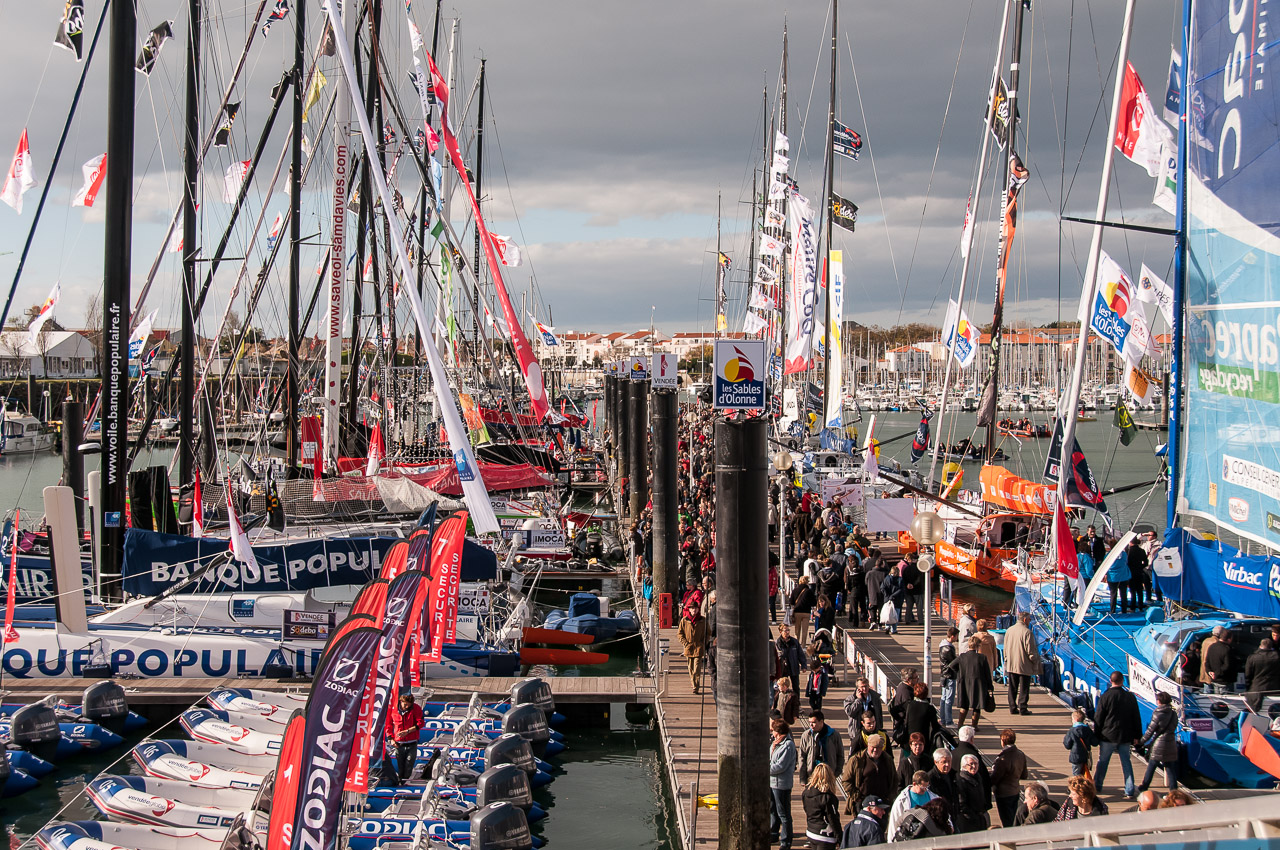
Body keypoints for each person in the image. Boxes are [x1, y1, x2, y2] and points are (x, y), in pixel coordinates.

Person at [1094, 671, 1142, 798]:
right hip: (1125, 735)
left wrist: (1096, 734)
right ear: (1122, 681)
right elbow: (1136, 717)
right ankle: (1130, 789)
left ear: (1111, 681)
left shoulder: (1106, 696)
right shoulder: (1130, 697)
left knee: (1103, 762)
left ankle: (1097, 785)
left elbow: (1099, 717)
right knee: (1126, 762)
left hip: (1108, 736)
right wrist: (1137, 736)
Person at [841, 733, 897, 814]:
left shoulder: (888, 760)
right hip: (863, 802)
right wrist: (857, 796)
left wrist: (890, 797)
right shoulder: (856, 760)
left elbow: (894, 779)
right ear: (868, 745)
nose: (875, 750)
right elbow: (846, 781)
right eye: (873, 747)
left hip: (883, 802)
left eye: (878, 748)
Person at [1138, 691, 1179, 792]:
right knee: (1170, 768)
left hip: (1159, 744)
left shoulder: (1158, 713)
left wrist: (1141, 742)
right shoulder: (1173, 713)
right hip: (1170, 742)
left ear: (1159, 701)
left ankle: (1144, 786)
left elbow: (1150, 731)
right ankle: (1174, 790)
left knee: (1152, 766)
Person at [1003, 612, 1041, 715]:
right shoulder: (1027, 632)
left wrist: (1006, 658)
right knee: (1024, 688)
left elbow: (1005, 647)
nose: (1030, 621)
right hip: (1024, 664)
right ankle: (1023, 707)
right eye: (1029, 619)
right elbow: (1031, 651)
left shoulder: (1009, 630)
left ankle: (1012, 706)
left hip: (1011, 663)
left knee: (1012, 687)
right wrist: (1035, 661)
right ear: (1025, 620)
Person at [990, 729, 1028, 828]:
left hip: (1003, 793)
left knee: (1007, 820)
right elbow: (1024, 775)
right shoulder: (1020, 754)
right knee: (1013, 817)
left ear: (1002, 741)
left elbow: (995, 778)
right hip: (1015, 790)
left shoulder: (1003, 758)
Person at [886, 771, 939, 841]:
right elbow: (894, 823)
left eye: (927, 786)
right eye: (923, 787)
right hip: (910, 838)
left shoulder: (933, 797)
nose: (925, 790)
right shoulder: (901, 801)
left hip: (928, 837)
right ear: (914, 784)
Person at [955, 635, 994, 729]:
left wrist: (960, 673)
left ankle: (960, 724)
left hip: (965, 684)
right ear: (977, 646)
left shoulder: (962, 657)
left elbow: (952, 666)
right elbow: (987, 673)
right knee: (977, 706)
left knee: (964, 705)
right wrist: (990, 686)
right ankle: (974, 725)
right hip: (979, 684)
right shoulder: (982, 658)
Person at [770, 718, 798, 850]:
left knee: (784, 813)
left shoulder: (788, 745)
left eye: (774, 731)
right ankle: (773, 832)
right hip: (771, 782)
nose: (772, 733)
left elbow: (780, 766)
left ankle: (786, 841)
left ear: (779, 732)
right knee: (773, 810)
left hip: (781, 784)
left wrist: (764, 768)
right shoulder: (775, 743)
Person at [798, 710, 846, 785]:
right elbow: (802, 757)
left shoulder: (834, 735)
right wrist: (803, 779)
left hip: (828, 774)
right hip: (811, 775)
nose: (811, 725)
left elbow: (840, 755)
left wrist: (836, 773)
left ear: (821, 722)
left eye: (814, 722)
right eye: (810, 722)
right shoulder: (806, 735)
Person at [802, 762, 842, 849]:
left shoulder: (806, 793)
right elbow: (833, 819)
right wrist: (840, 838)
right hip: (824, 837)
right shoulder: (828, 797)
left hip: (811, 831)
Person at [386, 692, 424, 783]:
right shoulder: (392, 709)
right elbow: (388, 725)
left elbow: (421, 723)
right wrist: (391, 739)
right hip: (399, 743)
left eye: (409, 705)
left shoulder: (416, 708)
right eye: (405, 705)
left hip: (412, 742)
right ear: (401, 701)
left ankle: (404, 780)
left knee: (409, 763)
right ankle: (400, 781)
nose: (407, 707)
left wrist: (408, 731)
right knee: (400, 765)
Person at [677, 594, 708, 693]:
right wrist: (685, 643)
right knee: (690, 668)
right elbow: (680, 633)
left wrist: (704, 643)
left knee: (697, 668)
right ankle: (693, 681)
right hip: (689, 647)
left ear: (698, 609)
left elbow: (708, 633)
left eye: (696, 608)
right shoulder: (684, 620)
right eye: (692, 608)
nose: (694, 610)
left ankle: (696, 686)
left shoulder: (703, 620)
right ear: (689, 610)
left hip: (698, 647)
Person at [951, 725, 990, 801]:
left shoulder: (952, 753)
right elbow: (983, 776)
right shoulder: (973, 755)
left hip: (956, 793)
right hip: (972, 796)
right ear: (972, 739)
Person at [902, 682, 942, 752]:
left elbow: (894, 710)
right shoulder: (929, 708)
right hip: (923, 740)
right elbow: (935, 726)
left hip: (909, 739)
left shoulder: (909, 705)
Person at [955, 754, 989, 833]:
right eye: (971, 764)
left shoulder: (978, 777)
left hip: (980, 817)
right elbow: (962, 804)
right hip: (969, 820)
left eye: (976, 763)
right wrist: (973, 816)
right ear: (964, 766)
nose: (974, 766)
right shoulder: (961, 781)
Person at [1245, 638, 1280, 711]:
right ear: (1271, 647)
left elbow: (1248, 675)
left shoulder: (1253, 657)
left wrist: (1248, 687)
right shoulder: (1278, 657)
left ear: (1260, 646)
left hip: (1256, 690)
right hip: (1275, 689)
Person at [1063, 707, 1097, 777]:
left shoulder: (1071, 731)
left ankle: (1077, 786)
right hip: (1085, 756)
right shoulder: (1088, 730)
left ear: (1075, 720)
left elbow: (1067, 745)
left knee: (1076, 774)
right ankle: (1084, 786)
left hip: (1075, 757)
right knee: (1085, 773)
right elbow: (1094, 742)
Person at [888, 669, 919, 744]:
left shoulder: (901, 685)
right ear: (908, 680)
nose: (918, 679)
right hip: (905, 728)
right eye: (916, 677)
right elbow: (908, 710)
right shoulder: (906, 693)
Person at [777, 623, 807, 695]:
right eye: (785, 630)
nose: (787, 632)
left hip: (793, 667)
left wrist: (803, 665)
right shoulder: (778, 643)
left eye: (788, 630)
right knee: (783, 686)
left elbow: (800, 654)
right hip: (783, 668)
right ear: (780, 631)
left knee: (796, 686)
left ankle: (796, 702)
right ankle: (783, 701)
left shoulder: (794, 642)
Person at [926, 749, 958, 817]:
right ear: (936, 762)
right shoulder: (930, 778)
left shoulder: (953, 775)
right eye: (944, 762)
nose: (947, 764)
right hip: (939, 816)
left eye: (949, 761)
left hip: (953, 815)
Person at [938, 627, 959, 727]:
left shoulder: (943, 646)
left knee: (944, 698)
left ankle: (943, 719)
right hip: (949, 675)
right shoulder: (948, 649)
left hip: (944, 674)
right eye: (956, 636)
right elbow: (953, 662)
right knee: (948, 699)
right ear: (953, 636)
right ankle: (948, 721)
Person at [1204, 630, 1234, 694]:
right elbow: (1227, 665)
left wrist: (1209, 672)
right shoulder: (1227, 649)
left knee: (1217, 702)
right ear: (1229, 639)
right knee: (1226, 702)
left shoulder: (1211, 647)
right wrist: (1216, 673)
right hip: (1225, 681)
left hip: (1214, 680)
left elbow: (1207, 662)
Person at [1106, 541, 1132, 614]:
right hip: (1123, 576)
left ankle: (1112, 611)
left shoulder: (1108, 555)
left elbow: (1106, 566)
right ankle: (1124, 610)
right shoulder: (1123, 554)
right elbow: (1126, 562)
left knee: (1113, 594)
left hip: (1113, 577)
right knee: (1123, 594)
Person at [880, 566, 905, 635]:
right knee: (895, 615)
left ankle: (887, 626)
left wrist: (887, 595)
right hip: (897, 600)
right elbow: (901, 589)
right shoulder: (900, 580)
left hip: (887, 599)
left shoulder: (887, 579)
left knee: (888, 613)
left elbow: (882, 588)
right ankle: (894, 629)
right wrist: (893, 595)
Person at [792, 576, 817, 645]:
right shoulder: (809, 591)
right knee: (805, 630)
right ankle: (803, 645)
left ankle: (796, 644)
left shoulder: (795, 590)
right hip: (806, 612)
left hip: (797, 612)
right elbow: (814, 602)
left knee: (797, 630)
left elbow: (791, 602)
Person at [1127, 536, 1151, 609]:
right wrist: (1141, 566)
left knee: (1132, 591)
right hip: (1139, 572)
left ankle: (1132, 606)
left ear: (1130, 542)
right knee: (1139, 590)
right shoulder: (1141, 550)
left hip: (1131, 572)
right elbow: (1146, 562)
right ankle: (1140, 605)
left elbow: (1126, 562)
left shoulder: (1128, 551)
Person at [864, 554, 886, 631]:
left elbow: (866, 582)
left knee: (872, 608)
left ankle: (873, 621)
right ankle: (880, 625)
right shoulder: (884, 573)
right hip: (881, 594)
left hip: (871, 592)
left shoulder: (869, 573)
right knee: (880, 609)